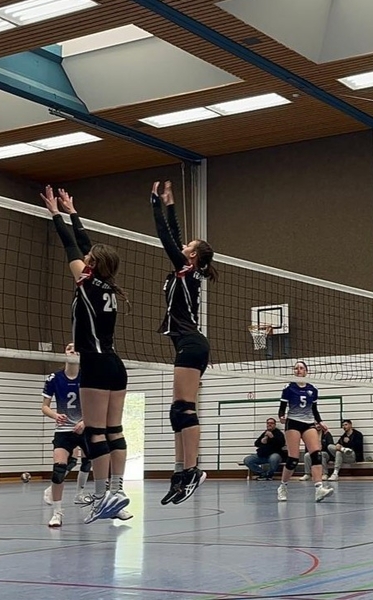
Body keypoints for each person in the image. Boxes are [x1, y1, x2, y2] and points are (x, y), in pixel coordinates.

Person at [42, 186, 129, 523]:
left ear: (92, 265)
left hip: (94, 363)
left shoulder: (85, 282)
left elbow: (71, 245)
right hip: (115, 364)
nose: (85, 257)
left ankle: (103, 496)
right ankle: (117, 491)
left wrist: (56, 214)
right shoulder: (109, 287)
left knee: (95, 432)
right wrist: (73, 212)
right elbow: (86, 245)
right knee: (114, 430)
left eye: (89, 257)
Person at [150, 180, 217, 506]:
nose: (183, 246)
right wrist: (170, 204)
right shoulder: (187, 268)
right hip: (186, 345)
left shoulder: (186, 268)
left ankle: (192, 470)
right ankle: (179, 474)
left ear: (191, 255)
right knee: (177, 410)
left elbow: (166, 238)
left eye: (188, 246)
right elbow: (176, 237)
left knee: (185, 408)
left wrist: (154, 204)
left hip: (192, 344)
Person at [40, 342, 122, 527]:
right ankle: (57, 513)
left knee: (101, 464)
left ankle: (111, 504)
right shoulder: (54, 378)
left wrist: (85, 421)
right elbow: (44, 407)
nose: (73, 351)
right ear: (64, 353)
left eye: (76, 349)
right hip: (63, 431)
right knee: (59, 470)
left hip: (86, 428)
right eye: (69, 348)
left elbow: (98, 405)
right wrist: (55, 415)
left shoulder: (88, 376)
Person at [276, 361, 334, 503]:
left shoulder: (313, 389)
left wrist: (320, 421)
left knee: (316, 454)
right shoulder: (289, 388)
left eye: (301, 368)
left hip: (308, 423)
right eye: (296, 368)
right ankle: (283, 486)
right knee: (293, 459)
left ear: (306, 371)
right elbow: (282, 407)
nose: (298, 370)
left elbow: (314, 409)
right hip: (293, 422)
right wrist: (281, 416)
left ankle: (319, 488)